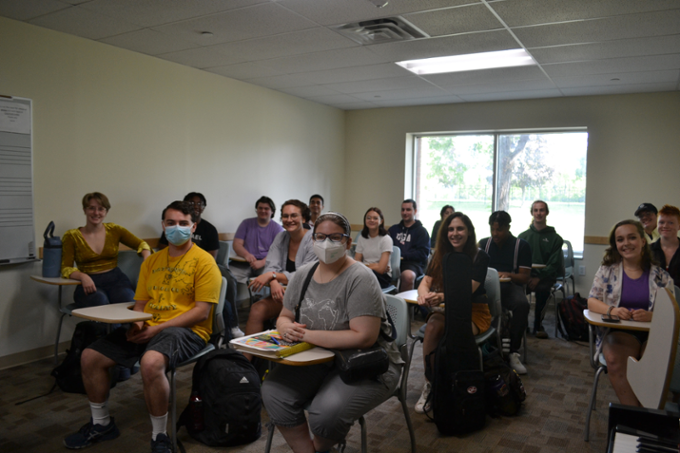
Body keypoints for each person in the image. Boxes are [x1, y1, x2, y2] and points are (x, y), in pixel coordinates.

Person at [63, 200, 222, 452]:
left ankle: (160, 436)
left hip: (189, 330)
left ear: (193, 227)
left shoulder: (204, 262)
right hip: (150, 326)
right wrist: (137, 324)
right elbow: (141, 303)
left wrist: (156, 329)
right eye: (170, 223)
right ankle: (101, 424)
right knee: (90, 356)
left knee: (150, 362)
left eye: (183, 223)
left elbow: (201, 312)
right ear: (163, 226)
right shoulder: (151, 261)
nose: (176, 228)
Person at [261, 212, 402, 453]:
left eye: (335, 237)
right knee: (273, 391)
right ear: (313, 240)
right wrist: (284, 325)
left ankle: (322, 447)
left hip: (366, 363)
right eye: (321, 237)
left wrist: (303, 335)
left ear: (348, 243)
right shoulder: (303, 275)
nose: (327, 243)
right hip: (318, 358)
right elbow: (285, 316)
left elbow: (363, 337)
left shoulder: (360, 278)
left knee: (325, 414)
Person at [587, 219, 674, 406]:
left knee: (654, 364)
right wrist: (613, 310)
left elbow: (673, 311)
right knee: (614, 360)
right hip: (620, 332)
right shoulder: (607, 271)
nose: (626, 243)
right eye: (620, 240)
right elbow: (592, 301)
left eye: (632, 237)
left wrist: (653, 316)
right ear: (615, 244)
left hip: (654, 333)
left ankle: (648, 412)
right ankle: (637, 418)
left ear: (643, 241)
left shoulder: (661, 275)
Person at [415, 212, 490, 413]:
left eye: (459, 229)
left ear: (469, 232)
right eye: (450, 229)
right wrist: (423, 296)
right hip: (446, 309)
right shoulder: (439, 256)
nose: (454, 233)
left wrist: (440, 297)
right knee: (432, 327)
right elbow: (425, 282)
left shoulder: (479, 257)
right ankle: (430, 383)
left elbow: (469, 289)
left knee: (456, 332)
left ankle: (459, 384)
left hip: (473, 311)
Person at [244, 200, 317, 348]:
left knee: (285, 319)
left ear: (303, 218)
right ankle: (246, 363)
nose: (289, 220)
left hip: (308, 299)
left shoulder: (313, 239)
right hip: (284, 295)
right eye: (285, 216)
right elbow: (271, 267)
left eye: (294, 215)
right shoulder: (281, 237)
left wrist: (273, 276)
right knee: (257, 310)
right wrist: (273, 280)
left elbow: (303, 275)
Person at [61, 192, 151, 308]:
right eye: (91, 208)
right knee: (100, 301)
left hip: (116, 280)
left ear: (106, 212)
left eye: (101, 209)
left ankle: (126, 327)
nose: (96, 213)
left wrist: (146, 259)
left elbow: (142, 244)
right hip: (89, 284)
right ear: (84, 210)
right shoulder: (71, 236)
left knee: (128, 301)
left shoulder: (115, 230)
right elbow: (65, 268)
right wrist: (83, 276)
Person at [478, 211, 531, 375]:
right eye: (492, 229)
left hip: (510, 287)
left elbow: (524, 277)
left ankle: (513, 352)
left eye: (499, 229)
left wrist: (509, 275)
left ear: (508, 228)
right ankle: (481, 347)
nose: (495, 234)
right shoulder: (483, 244)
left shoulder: (521, 246)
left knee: (522, 305)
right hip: (486, 287)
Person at [518, 200, 564, 339]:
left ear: (547, 212)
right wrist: (528, 276)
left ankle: (538, 325)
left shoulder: (555, 238)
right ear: (532, 213)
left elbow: (554, 264)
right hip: (526, 276)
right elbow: (518, 262)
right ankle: (522, 323)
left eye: (542, 210)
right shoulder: (522, 237)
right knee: (516, 290)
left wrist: (539, 278)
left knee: (543, 291)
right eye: (536, 210)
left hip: (545, 278)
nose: (539, 213)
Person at [230, 196, 284, 283]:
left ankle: (266, 297)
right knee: (229, 276)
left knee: (274, 278)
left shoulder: (278, 229)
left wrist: (262, 262)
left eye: (266, 208)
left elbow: (278, 252)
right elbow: (237, 244)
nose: (263, 211)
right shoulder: (246, 223)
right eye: (260, 208)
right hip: (243, 263)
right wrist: (247, 255)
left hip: (267, 264)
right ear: (256, 210)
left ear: (272, 211)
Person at [157, 192, 219, 256]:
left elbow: (212, 256)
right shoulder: (171, 228)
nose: (196, 206)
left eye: (199, 204)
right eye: (191, 203)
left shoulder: (210, 229)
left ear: (194, 227)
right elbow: (163, 250)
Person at [388, 199, 430, 292]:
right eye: (403, 210)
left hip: (412, 264)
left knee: (408, 276)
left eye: (408, 210)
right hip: (392, 263)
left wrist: (403, 255)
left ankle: (403, 305)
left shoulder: (421, 231)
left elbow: (423, 254)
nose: (405, 212)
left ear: (415, 211)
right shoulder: (393, 229)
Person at [354, 207, 393, 289]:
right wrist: (374, 265)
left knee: (359, 280)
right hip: (364, 273)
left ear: (381, 221)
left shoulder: (386, 239)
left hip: (382, 277)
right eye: (368, 218)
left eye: (375, 218)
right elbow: (356, 262)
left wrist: (363, 266)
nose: (371, 220)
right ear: (365, 220)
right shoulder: (362, 237)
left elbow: (381, 269)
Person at [650, 205, 680, 283]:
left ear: (679, 226)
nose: (665, 226)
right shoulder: (647, 251)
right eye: (661, 222)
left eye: (671, 223)